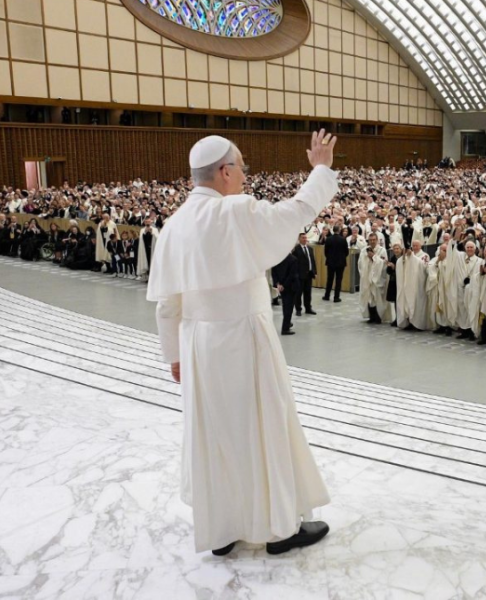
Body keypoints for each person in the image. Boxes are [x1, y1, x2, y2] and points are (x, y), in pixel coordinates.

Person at [147, 131, 337, 556]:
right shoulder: (234, 211)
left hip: (197, 345)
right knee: (263, 427)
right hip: (244, 337)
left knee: (215, 433)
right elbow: (298, 210)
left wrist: (174, 356)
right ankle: (279, 529)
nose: (245, 177)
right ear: (225, 172)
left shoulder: (174, 226)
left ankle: (223, 529)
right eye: (243, 169)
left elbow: (166, 304)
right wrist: (321, 168)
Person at [396, 242, 430, 331]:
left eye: (416, 245)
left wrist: (412, 257)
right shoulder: (407, 255)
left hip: (418, 284)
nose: (414, 247)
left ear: (420, 246)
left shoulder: (424, 255)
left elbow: (424, 267)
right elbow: (402, 264)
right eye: (413, 246)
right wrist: (405, 258)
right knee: (407, 303)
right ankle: (409, 321)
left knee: (417, 303)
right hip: (408, 284)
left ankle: (417, 323)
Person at [272, 251, 299, 335]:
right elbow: (292, 275)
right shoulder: (293, 259)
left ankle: (287, 323)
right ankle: (285, 328)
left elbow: (274, 272)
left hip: (281, 287)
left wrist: (278, 284)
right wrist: (283, 285)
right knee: (289, 308)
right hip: (290, 287)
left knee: (285, 306)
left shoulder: (277, 259)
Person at [321, 225, 348, 302]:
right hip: (340, 262)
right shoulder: (343, 239)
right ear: (339, 230)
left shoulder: (328, 239)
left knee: (329, 279)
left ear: (333, 230)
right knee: (338, 280)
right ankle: (336, 297)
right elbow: (346, 251)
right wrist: (342, 257)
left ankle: (327, 295)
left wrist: (329, 258)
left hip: (330, 262)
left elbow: (326, 251)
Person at [292, 233, 317, 316]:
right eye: (303, 238)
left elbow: (312, 261)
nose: (305, 239)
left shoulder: (310, 248)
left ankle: (308, 308)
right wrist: (296, 274)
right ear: (299, 239)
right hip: (300, 275)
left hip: (309, 274)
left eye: (305, 237)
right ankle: (298, 309)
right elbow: (294, 263)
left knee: (308, 293)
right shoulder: (296, 249)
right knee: (298, 293)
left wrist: (314, 272)